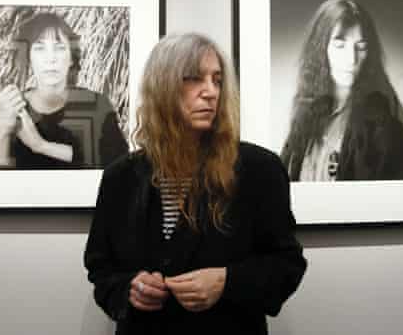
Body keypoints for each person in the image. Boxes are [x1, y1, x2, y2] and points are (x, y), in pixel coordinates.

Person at [84, 33, 307, 334]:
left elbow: (287, 264)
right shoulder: (120, 178)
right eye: (193, 79)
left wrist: (227, 282)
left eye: (217, 80)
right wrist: (129, 289)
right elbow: (101, 268)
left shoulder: (259, 170)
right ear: (161, 87)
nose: (211, 92)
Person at [279, 0, 403, 181]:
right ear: (320, 49)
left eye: (360, 47)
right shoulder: (306, 115)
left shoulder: (384, 128)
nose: (351, 59)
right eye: (339, 45)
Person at [0, 12, 128, 169]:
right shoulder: (12, 105)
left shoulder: (97, 105)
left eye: (59, 48)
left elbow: (119, 162)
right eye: (40, 48)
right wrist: (2, 128)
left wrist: (41, 145)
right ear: (29, 58)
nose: (51, 58)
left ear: (71, 58)